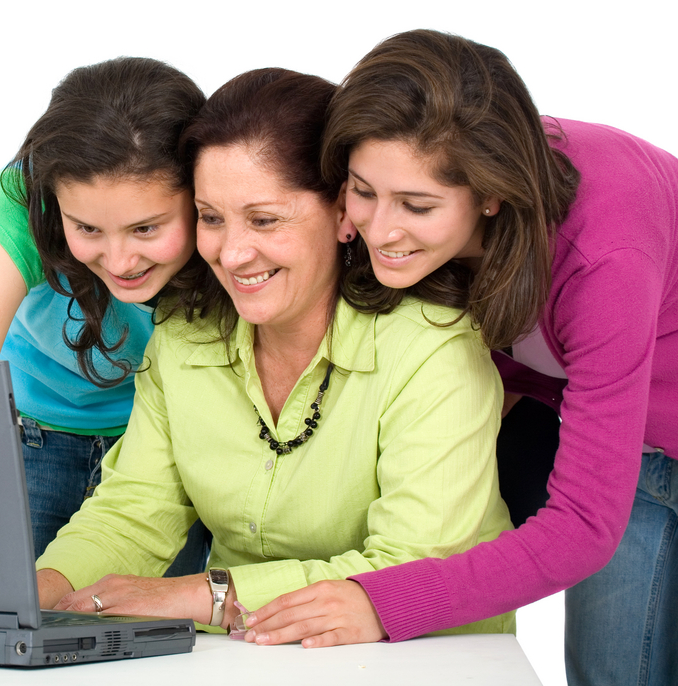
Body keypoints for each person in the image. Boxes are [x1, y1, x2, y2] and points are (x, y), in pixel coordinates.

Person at [241, 30, 678, 686]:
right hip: (567, 407)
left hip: (654, 442)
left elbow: (586, 525)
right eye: (363, 191)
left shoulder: (605, 257)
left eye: (417, 206)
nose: (380, 230)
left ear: (491, 195)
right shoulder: (423, 187)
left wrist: (383, 603)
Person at [32, 68, 515, 638]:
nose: (232, 253)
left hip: (426, 660)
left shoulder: (434, 347)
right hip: (255, 655)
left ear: (343, 213)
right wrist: (32, 592)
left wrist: (202, 595)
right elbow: (132, 512)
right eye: (211, 218)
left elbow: (411, 564)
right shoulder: (186, 339)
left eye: (264, 220)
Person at [0, 57, 209, 569]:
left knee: (161, 638)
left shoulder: (226, 202)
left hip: (163, 452)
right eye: (88, 229)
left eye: (146, 229)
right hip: (33, 438)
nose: (120, 263)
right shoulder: (16, 201)